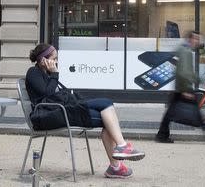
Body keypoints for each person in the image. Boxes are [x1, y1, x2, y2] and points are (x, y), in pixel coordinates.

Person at [26, 43, 145, 179]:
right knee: (106, 105)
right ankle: (119, 155)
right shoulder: (33, 72)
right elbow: (47, 94)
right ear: (43, 60)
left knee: (108, 117)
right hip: (49, 115)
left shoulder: (46, 73)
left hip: (62, 111)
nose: (56, 61)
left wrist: (52, 74)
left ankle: (116, 164)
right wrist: (55, 74)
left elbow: (52, 94)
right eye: (54, 58)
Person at [155, 31, 205, 143]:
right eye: (196, 39)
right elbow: (183, 72)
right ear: (190, 39)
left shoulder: (185, 50)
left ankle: (161, 135)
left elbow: (185, 71)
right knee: (191, 112)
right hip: (184, 87)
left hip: (181, 87)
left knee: (170, 113)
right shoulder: (186, 51)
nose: (198, 41)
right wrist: (186, 89)